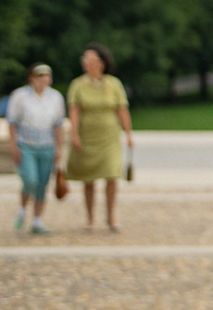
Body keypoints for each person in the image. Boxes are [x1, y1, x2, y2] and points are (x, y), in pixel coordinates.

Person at [66, 44, 132, 233]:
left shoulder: (114, 84)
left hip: (109, 136)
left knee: (112, 174)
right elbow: (74, 111)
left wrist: (128, 133)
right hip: (88, 136)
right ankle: (90, 217)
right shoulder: (78, 84)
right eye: (84, 59)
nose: (86, 63)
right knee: (89, 178)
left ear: (101, 62)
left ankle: (111, 215)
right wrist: (74, 134)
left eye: (90, 59)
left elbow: (121, 109)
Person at [7, 64, 67, 233]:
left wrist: (59, 148)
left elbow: (58, 125)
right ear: (32, 78)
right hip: (26, 144)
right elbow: (12, 122)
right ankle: (23, 208)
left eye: (47, 76)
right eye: (40, 76)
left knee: (42, 183)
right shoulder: (20, 96)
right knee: (30, 180)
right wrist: (13, 145)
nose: (44, 79)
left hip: (47, 145)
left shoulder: (55, 97)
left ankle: (38, 220)